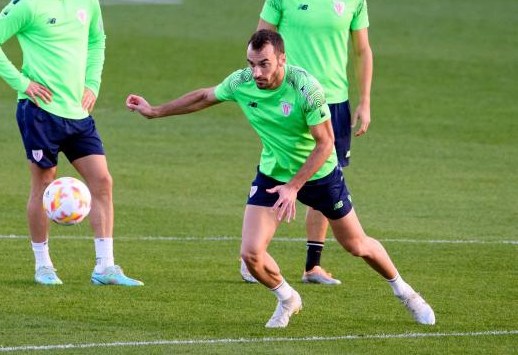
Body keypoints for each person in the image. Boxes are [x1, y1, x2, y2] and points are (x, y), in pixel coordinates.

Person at [126, 30, 434, 328]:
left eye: (264, 64)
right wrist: (155, 111)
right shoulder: (242, 82)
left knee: (356, 245)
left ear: (282, 60)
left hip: (320, 175)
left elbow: (326, 143)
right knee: (251, 253)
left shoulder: (305, 88)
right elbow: (204, 96)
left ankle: (405, 292)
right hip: (273, 174)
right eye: (251, 63)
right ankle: (287, 298)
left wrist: (294, 186)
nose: (256, 72)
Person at [0, 0, 142, 287]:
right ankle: (43, 265)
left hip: (78, 112)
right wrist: (22, 83)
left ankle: (105, 267)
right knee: (43, 185)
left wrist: (92, 85)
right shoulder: (28, 4)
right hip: (40, 113)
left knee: (102, 182)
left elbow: (97, 41)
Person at [240, 0, 374, 285]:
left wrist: (364, 101)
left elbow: (362, 50)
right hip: (287, 97)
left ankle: (312, 265)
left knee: (325, 176)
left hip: (334, 100)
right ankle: (254, 253)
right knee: (275, 168)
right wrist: (255, 82)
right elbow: (260, 41)